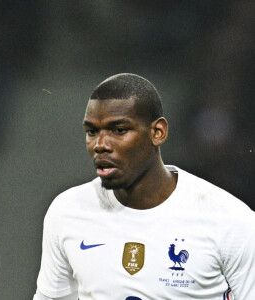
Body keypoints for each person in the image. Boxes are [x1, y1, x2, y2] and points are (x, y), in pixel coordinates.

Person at [33, 73, 255, 300]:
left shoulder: (231, 220)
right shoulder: (68, 212)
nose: (100, 145)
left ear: (158, 132)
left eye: (119, 130)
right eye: (92, 131)